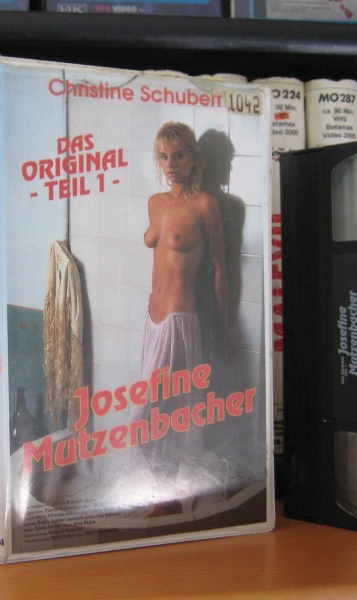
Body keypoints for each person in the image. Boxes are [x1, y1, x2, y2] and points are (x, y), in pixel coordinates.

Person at [135, 122, 232, 515]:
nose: (171, 164)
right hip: (152, 320)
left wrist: (224, 327)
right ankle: (167, 495)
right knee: (158, 411)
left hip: (178, 319)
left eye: (178, 155)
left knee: (154, 410)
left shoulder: (206, 205)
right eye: (164, 156)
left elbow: (221, 270)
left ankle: (172, 494)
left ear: (194, 158)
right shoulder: (155, 202)